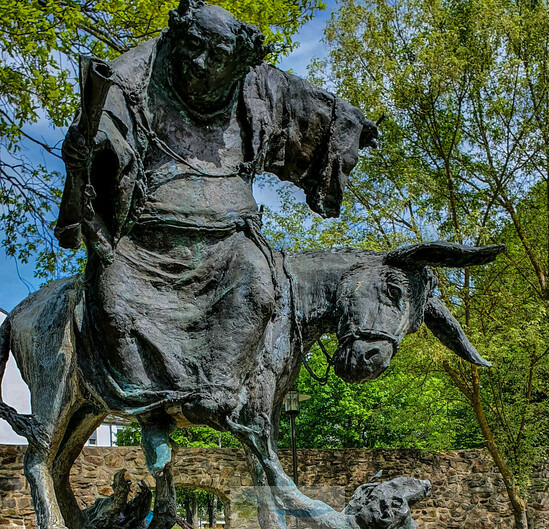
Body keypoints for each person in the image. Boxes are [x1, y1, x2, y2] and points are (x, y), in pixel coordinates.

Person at [56, 0, 377, 431]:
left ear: (238, 63)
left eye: (217, 56)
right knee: (112, 303)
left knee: (259, 289)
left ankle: (218, 392)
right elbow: (108, 115)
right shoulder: (141, 69)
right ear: (177, 36)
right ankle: (150, 408)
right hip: (145, 243)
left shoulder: (258, 86)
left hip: (231, 241)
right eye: (191, 46)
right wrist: (91, 143)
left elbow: (312, 110)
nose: (199, 62)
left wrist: (350, 127)